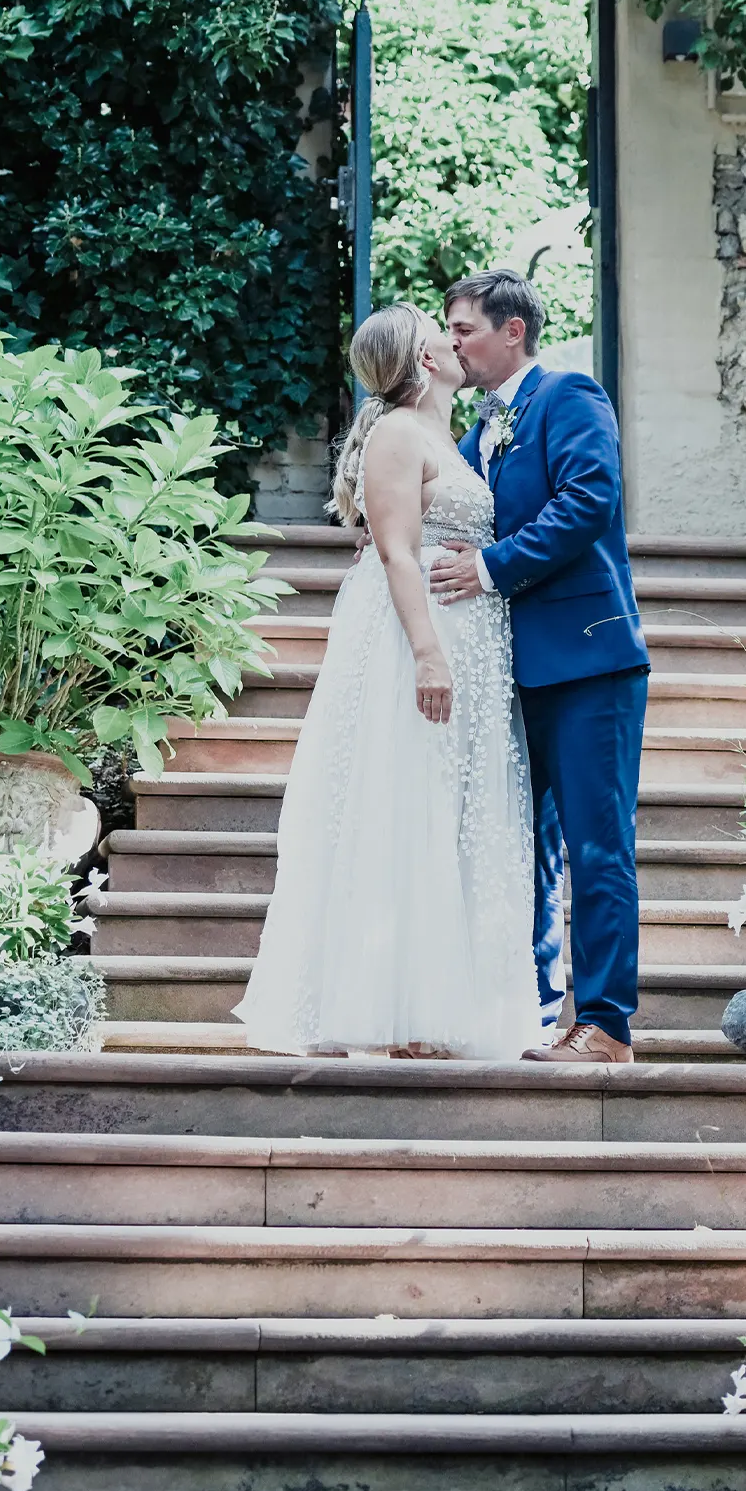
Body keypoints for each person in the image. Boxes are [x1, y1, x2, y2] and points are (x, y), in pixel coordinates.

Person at [234, 304, 538, 1060]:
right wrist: (429, 654)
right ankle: (399, 1013)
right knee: (412, 808)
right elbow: (398, 553)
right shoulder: (399, 435)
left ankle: (442, 1005)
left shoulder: (445, 435)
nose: (453, 333)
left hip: (469, 635)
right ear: (424, 359)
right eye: (441, 327)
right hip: (419, 636)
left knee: (450, 811)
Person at [428, 269, 649, 1064]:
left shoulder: (570, 395)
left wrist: (489, 566)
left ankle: (607, 1025)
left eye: (463, 328)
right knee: (515, 846)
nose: (452, 341)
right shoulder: (471, 431)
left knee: (597, 845)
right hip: (505, 672)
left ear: (512, 329)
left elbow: (588, 500)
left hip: (587, 661)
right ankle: (528, 1008)